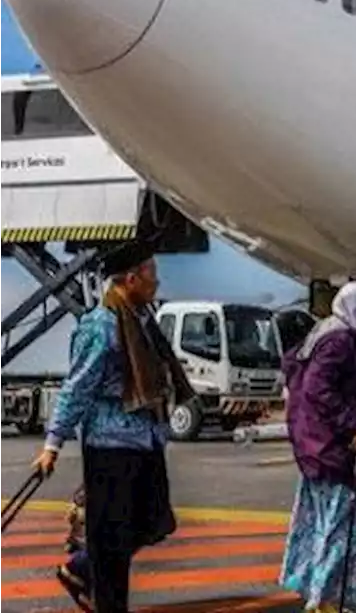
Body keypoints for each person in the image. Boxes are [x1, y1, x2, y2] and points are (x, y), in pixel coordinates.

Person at [34, 241, 194, 613]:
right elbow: (77, 387)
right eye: (151, 273)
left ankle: (79, 569)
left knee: (153, 522)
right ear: (130, 278)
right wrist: (52, 444)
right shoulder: (101, 325)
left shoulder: (141, 320)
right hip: (110, 446)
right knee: (111, 541)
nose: (157, 281)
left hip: (146, 441)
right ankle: (105, 599)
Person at [279, 281, 356, 613]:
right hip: (338, 453)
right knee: (340, 528)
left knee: (323, 524)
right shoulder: (340, 342)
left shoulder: (328, 336)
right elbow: (318, 389)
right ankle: (325, 599)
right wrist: (354, 427)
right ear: (355, 311)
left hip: (322, 450)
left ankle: (320, 594)